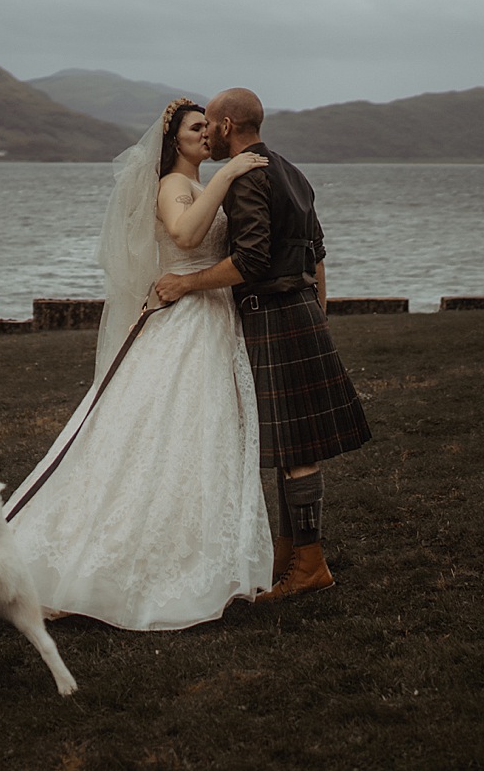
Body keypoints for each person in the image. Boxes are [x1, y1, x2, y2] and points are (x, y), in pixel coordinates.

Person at [4, 99, 274, 630]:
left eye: (205, 127)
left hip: (210, 318)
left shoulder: (196, 182)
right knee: (166, 433)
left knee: (201, 437)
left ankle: (199, 552)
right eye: (195, 128)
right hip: (187, 322)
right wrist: (230, 174)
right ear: (173, 141)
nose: (204, 135)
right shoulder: (175, 186)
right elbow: (185, 236)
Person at [155, 87, 371, 602]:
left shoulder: (246, 177)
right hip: (300, 310)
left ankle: (310, 564)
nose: (206, 131)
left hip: (274, 313)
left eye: (210, 123)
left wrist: (186, 283)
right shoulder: (292, 171)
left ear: (228, 125)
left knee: (294, 449)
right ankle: (288, 553)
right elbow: (316, 250)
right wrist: (318, 308)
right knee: (288, 444)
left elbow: (250, 261)